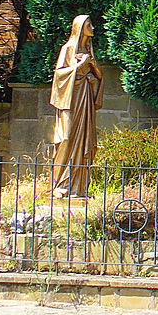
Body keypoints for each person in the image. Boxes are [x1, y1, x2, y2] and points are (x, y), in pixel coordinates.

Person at [50, 15, 103, 198]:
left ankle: (77, 188)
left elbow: (99, 75)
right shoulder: (68, 49)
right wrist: (81, 64)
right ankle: (58, 184)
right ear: (79, 28)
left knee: (84, 139)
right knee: (66, 138)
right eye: (89, 25)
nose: (93, 27)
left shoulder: (88, 50)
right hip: (70, 100)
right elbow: (59, 75)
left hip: (85, 98)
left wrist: (92, 64)